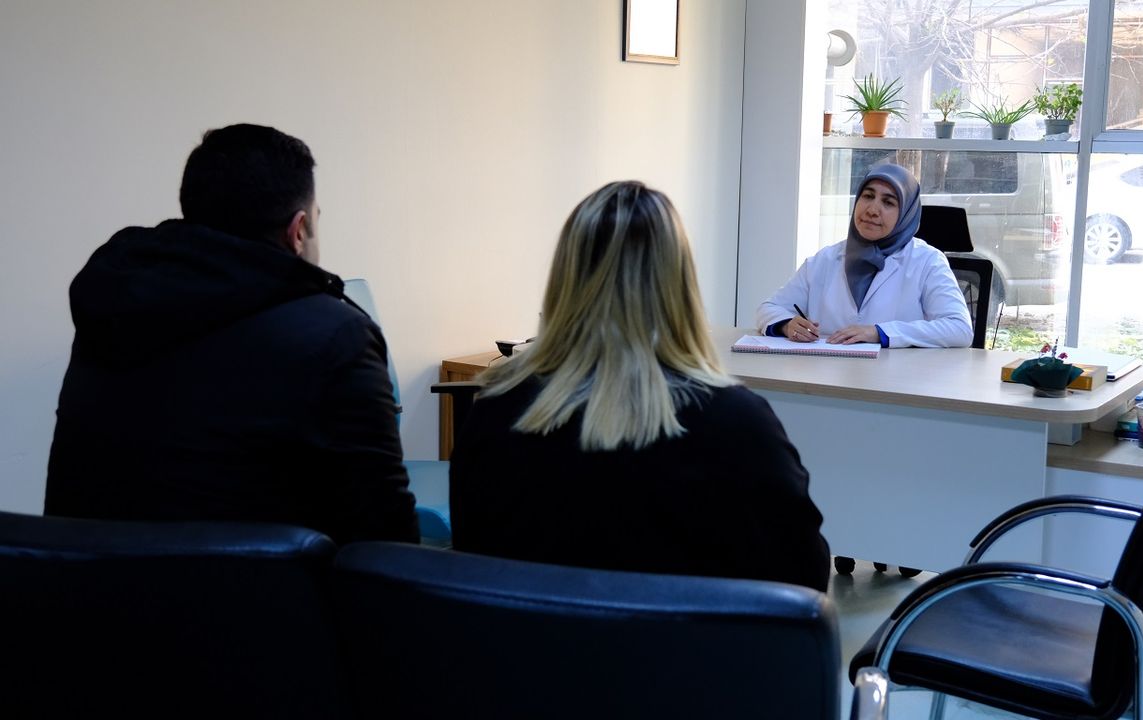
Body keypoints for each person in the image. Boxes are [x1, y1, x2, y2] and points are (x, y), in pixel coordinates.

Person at [45, 123, 419, 545]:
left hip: (81, 582)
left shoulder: (115, 302)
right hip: (256, 587)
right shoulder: (336, 336)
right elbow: (386, 539)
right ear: (298, 230)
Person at [449, 181, 831, 593]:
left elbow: (474, 558)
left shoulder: (498, 409)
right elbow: (803, 579)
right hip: (688, 636)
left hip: (529, 635)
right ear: (679, 287)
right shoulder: (739, 425)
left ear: (565, 279)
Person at [757, 163, 973, 348]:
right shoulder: (825, 259)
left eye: (888, 202)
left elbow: (959, 328)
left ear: (906, 213)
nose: (872, 210)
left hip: (898, 378)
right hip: (826, 376)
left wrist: (880, 332)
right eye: (868, 196)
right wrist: (786, 324)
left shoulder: (927, 261)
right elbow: (769, 308)